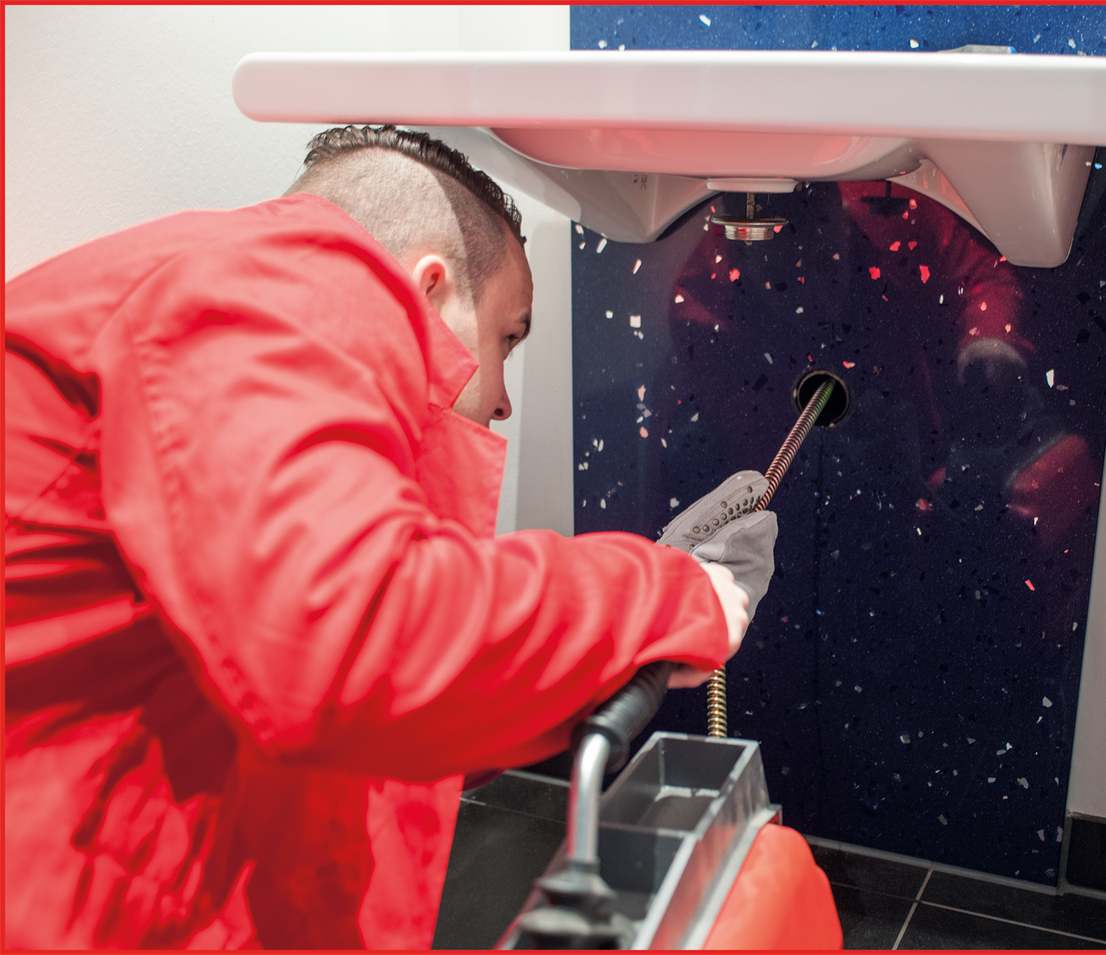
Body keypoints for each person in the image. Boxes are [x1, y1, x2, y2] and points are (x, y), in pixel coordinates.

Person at [4, 126, 771, 948]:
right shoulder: (265, 285)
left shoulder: (220, 295)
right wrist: (661, 593)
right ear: (427, 286)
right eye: (506, 337)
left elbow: (377, 696)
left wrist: (618, 642)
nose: (503, 397)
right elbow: (350, 640)